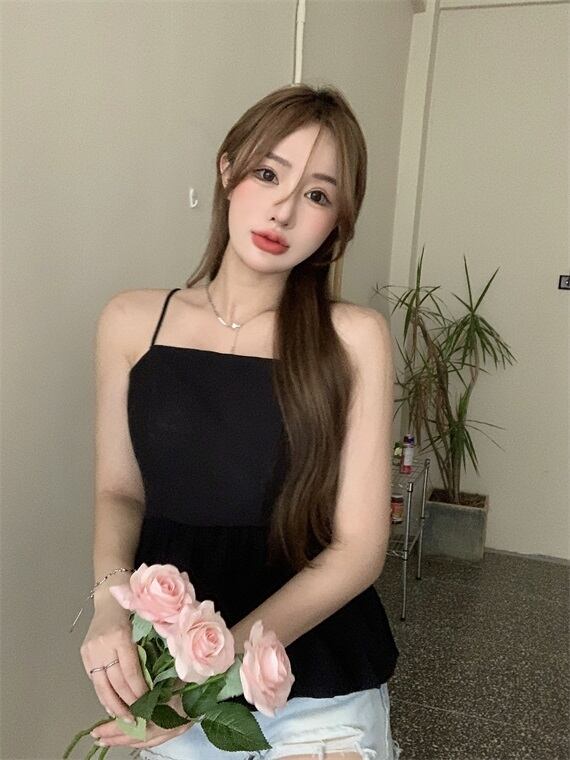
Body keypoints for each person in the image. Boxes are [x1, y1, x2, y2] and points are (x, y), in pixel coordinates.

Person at [80, 83, 401, 759]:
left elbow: (358, 551)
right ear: (227, 170)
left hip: (318, 686)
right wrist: (110, 598)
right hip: (171, 679)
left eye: (318, 195)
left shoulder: (355, 339)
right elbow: (120, 490)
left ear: (337, 223)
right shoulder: (131, 323)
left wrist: (216, 671)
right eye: (268, 174)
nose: (284, 210)